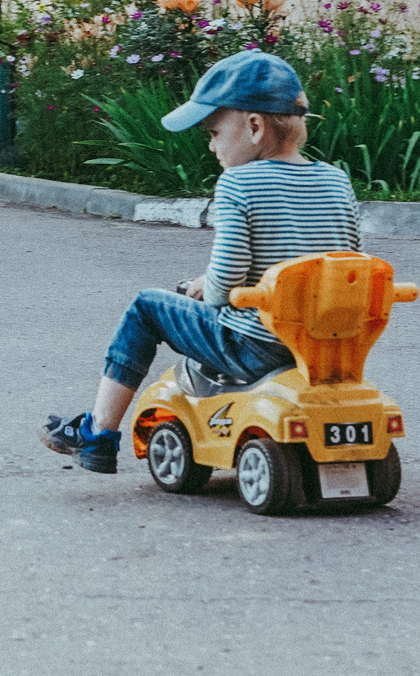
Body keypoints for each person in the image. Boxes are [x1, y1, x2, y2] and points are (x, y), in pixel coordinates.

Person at [40, 50, 360, 474]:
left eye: (213, 132)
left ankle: (98, 433)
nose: (211, 146)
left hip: (256, 345)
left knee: (145, 308)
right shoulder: (336, 180)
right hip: (327, 344)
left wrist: (206, 287)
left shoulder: (238, 183)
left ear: (254, 126)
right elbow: (344, 262)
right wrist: (207, 281)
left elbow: (227, 284)